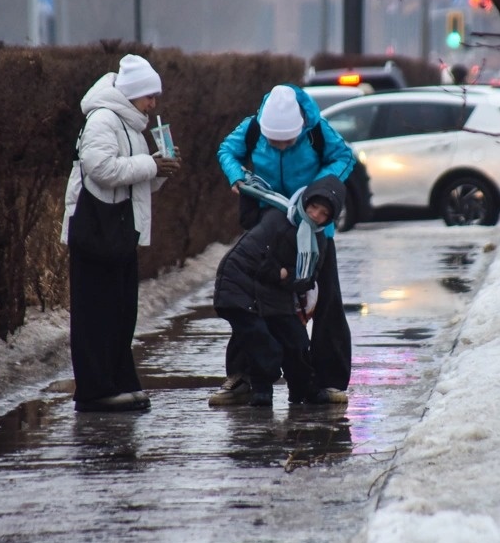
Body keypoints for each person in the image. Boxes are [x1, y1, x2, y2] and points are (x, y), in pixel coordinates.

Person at [212, 84, 357, 405]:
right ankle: (243, 377)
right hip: (269, 230)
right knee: (253, 302)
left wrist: (314, 194)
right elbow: (227, 151)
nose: (279, 146)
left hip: (316, 227)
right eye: (272, 142)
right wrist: (237, 176)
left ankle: (328, 379)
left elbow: (345, 158)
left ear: (301, 128)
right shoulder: (252, 127)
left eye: (287, 142)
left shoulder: (317, 130)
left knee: (327, 301)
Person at [60, 54, 182, 413]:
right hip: (96, 230)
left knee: (121, 310)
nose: (153, 103)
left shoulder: (131, 126)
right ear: (130, 93)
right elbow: (101, 170)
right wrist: (150, 164)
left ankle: (119, 380)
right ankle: (95, 389)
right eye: (148, 95)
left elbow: (133, 182)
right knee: (96, 310)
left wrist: (160, 170)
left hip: (119, 231)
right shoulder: (102, 120)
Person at [212, 176, 346, 407]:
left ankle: (303, 390)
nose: (316, 215)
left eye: (324, 213)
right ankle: (262, 392)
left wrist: (286, 275)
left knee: (296, 341)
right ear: (305, 201)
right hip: (238, 288)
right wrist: (281, 274)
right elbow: (258, 262)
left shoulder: (319, 240)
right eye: (314, 207)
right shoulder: (277, 219)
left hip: (272, 292)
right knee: (263, 343)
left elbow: (307, 279)